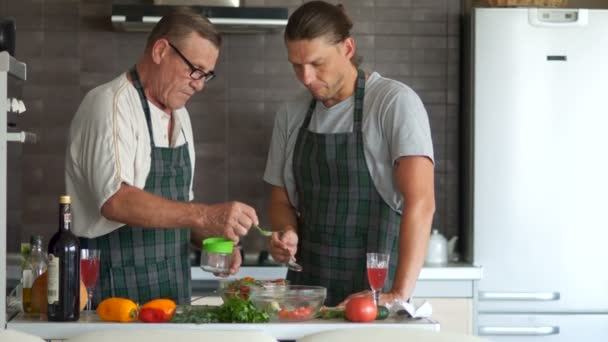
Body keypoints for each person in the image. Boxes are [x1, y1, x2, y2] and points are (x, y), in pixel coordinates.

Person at [65, 8, 258, 306]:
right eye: (195, 70)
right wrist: (206, 215)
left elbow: (179, 211)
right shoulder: (109, 105)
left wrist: (212, 240)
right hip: (112, 291)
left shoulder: (181, 117)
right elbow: (115, 200)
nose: (200, 84)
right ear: (160, 51)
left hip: (172, 296)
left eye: (207, 75)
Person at [264, 1, 435, 307]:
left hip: (373, 298)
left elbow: (421, 204)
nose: (305, 77)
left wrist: (397, 295)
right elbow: (281, 200)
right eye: (296, 65)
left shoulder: (393, 103)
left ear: (347, 48)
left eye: (317, 63)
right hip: (306, 297)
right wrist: (285, 233)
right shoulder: (291, 113)